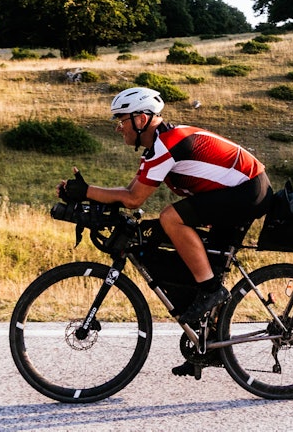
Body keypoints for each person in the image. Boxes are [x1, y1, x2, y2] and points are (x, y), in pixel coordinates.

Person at [57, 86, 272, 327]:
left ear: (141, 119)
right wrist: (82, 194)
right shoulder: (159, 146)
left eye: (121, 120)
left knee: (171, 218)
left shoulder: (167, 145)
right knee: (207, 263)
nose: (118, 127)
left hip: (247, 190)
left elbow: (133, 199)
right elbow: (128, 192)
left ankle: (211, 290)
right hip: (240, 190)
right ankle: (208, 348)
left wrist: (86, 191)